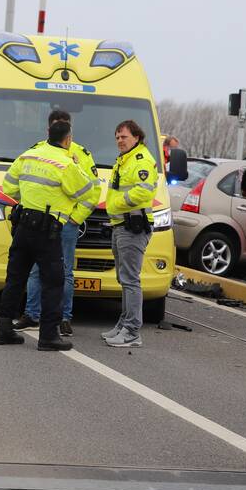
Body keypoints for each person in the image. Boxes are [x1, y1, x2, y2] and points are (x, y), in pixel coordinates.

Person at [0, 120, 97, 351]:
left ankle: (3, 329)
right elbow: (89, 193)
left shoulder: (29, 155)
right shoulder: (66, 164)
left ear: (47, 134)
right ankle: (49, 336)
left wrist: (30, 198)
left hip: (23, 226)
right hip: (48, 231)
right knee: (53, 282)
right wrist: (74, 214)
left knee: (15, 279)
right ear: (68, 139)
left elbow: (8, 187)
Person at [101, 120, 158, 349]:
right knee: (123, 278)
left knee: (130, 279)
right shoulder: (124, 160)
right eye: (117, 137)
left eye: (123, 137)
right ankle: (124, 324)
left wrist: (119, 205)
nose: (119, 141)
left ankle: (132, 331)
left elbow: (144, 190)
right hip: (120, 225)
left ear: (136, 137)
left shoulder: (141, 160)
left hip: (132, 225)